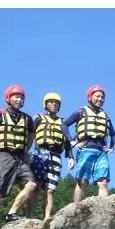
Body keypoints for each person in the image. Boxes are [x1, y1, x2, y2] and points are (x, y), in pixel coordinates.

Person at [0, 85, 38, 229]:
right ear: (8, 98)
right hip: (4, 155)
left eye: (21, 97)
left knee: (31, 184)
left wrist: (25, 150)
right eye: (16, 96)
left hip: (20, 157)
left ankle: (12, 212)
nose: (19, 99)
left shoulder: (27, 119)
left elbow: (31, 137)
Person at [63, 84, 115, 203]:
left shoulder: (105, 116)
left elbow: (113, 135)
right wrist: (72, 141)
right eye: (97, 96)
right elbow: (64, 125)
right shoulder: (81, 112)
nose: (100, 99)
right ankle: (76, 210)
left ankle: (103, 210)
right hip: (86, 149)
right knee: (82, 181)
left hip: (101, 152)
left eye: (102, 97)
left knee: (103, 182)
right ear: (90, 97)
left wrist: (112, 148)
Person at [27, 92, 74, 220]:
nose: (53, 104)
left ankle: (47, 218)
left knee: (50, 190)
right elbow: (30, 134)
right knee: (35, 186)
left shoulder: (63, 122)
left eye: (56, 102)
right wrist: (25, 151)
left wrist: (70, 157)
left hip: (56, 155)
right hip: (40, 153)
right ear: (45, 104)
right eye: (51, 102)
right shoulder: (38, 118)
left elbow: (67, 141)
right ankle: (30, 216)